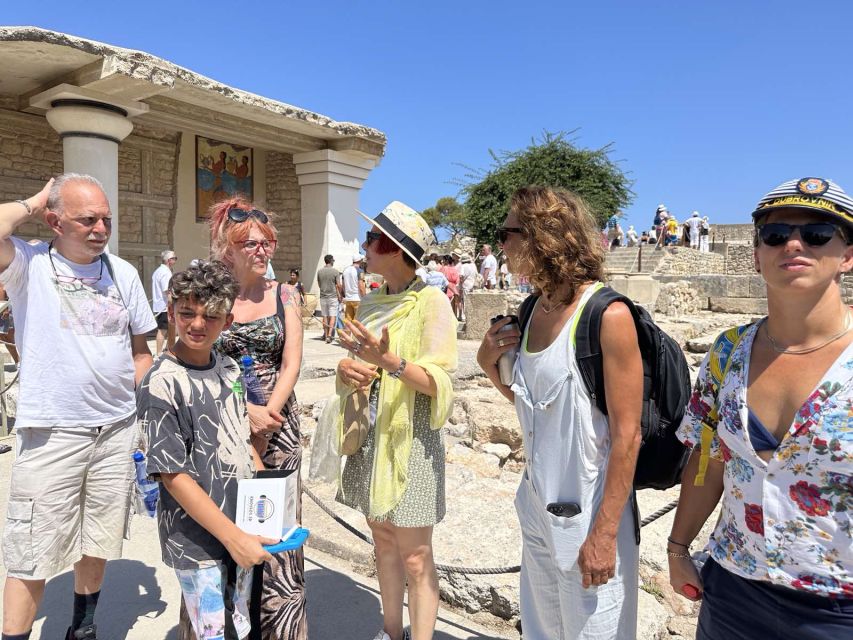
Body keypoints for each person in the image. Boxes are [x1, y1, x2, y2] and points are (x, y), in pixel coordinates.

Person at [668, 176, 853, 639]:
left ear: (847, 257)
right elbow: (708, 459)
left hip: (839, 607)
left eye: (816, 234)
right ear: (756, 255)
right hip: (733, 589)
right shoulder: (728, 351)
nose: (793, 243)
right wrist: (677, 548)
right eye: (775, 234)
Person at [477, 186, 642, 639]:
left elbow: (628, 435)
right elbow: (536, 409)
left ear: (539, 237)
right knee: (542, 631)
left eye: (506, 233)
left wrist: (605, 535)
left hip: (589, 516)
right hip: (537, 508)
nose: (501, 244)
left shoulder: (607, 316)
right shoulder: (532, 311)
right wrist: (487, 365)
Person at [0, 174, 156, 640]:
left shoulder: (122, 272)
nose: (100, 228)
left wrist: (139, 394)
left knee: (100, 537)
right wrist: (32, 201)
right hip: (52, 432)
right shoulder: (29, 264)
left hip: (116, 431)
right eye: (87, 219)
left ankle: (82, 630)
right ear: (54, 221)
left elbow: (142, 351)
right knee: (32, 548)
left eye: (106, 218)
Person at [329, 200, 457, 640]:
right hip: (372, 436)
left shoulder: (432, 302)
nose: (364, 245)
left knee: (417, 555)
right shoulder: (368, 304)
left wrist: (389, 361)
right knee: (381, 537)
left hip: (411, 441)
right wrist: (346, 371)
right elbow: (352, 365)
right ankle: (391, 632)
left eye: (371, 239)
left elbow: (439, 380)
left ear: (395, 249)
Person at [139, 260, 273, 640]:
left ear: (227, 322)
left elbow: (241, 442)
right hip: (196, 537)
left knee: (241, 624)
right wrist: (231, 536)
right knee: (210, 630)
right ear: (171, 313)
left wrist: (266, 500)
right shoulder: (161, 383)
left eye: (211, 316)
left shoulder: (230, 369)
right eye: (187, 313)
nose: (197, 324)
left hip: (241, 524)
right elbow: (172, 475)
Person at [209, 197, 307, 639]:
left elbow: (291, 363)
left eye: (268, 242)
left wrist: (267, 414)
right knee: (223, 530)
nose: (263, 250)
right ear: (226, 247)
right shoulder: (210, 294)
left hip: (278, 428)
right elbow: (198, 362)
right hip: (223, 426)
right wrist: (241, 412)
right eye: (251, 243)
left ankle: (280, 629)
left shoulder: (285, 294)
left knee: (275, 530)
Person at [151, 249, 177, 353]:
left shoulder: (158, 271)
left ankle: (167, 350)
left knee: (170, 330)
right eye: (174, 258)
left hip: (161, 305)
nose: (175, 260)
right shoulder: (165, 272)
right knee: (163, 331)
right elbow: (168, 291)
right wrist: (173, 305)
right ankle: (159, 353)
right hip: (164, 306)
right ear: (169, 260)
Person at [317, 254, 341, 343]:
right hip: (333, 297)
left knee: (325, 316)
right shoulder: (335, 272)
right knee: (332, 316)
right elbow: (338, 285)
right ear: (331, 261)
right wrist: (340, 295)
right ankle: (330, 335)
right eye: (333, 260)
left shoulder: (320, 271)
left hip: (323, 296)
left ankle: (326, 334)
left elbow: (319, 285)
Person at [342, 254, 366, 322]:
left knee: (348, 323)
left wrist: (345, 295)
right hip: (357, 299)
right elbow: (361, 286)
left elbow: (343, 286)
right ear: (360, 261)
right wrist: (365, 298)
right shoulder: (360, 271)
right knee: (358, 322)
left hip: (348, 299)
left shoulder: (345, 270)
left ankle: (346, 333)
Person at [458, 253, 477, 320]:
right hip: (472, 285)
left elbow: (461, 277)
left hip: (465, 286)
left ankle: (466, 317)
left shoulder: (464, 266)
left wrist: (460, 285)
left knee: (465, 302)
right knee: (471, 301)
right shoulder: (473, 265)